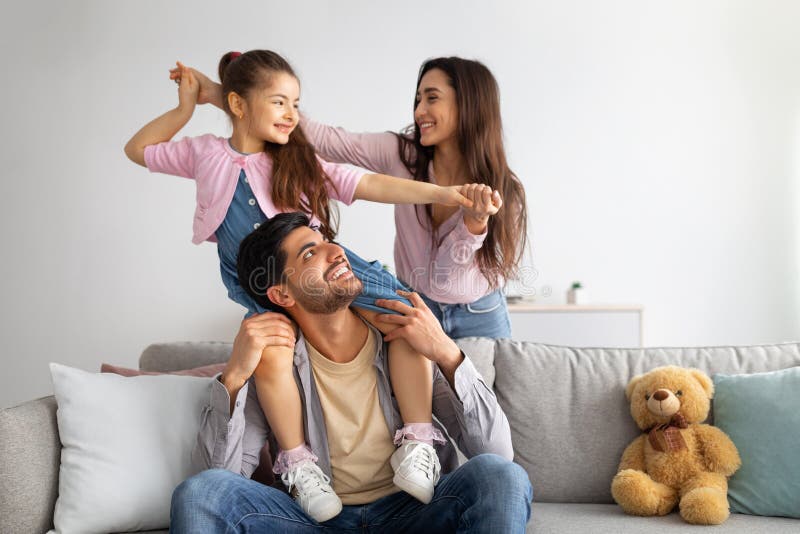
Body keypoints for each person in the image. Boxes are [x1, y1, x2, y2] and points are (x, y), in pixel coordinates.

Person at [124, 50, 495, 522]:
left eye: (295, 104)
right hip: (262, 286)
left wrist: (444, 194)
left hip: (320, 275)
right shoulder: (204, 154)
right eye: (280, 103)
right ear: (238, 106)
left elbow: (373, 185)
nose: (292, 115)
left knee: (405, 312)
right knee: (273, 353)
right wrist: (186, 107)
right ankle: (300, 465)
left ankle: (418, 440)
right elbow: (138, 151)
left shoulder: (299, 162)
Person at [170, 212, 533, 533]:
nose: (336, 252)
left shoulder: (402, 339)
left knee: (502, 477)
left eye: (327, 242)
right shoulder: (273, 363)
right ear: (281, 295)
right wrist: (233, 377)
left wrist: (447, 351)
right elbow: (219, 477)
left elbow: (496, 452)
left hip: (415, 512)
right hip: (311, 520)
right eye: (310, 253)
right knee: (200, 493)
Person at [176, 56, 527, 340]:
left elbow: (449, 280)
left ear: (469, 105)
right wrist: (235, 98)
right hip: (413, 302)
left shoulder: (504, 193)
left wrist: (474, 225)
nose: (419, 110)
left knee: (481, 407)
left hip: (480, 314)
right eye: (418, 99)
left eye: (432, 98)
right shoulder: (400, 154)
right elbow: (325, 139)